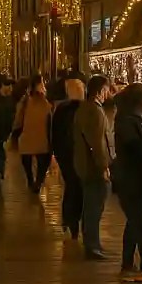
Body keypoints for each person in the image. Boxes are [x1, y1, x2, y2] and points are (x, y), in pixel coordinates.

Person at [111, 83, 142, 282]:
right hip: (131, 178)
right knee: (138, 221)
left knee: (140, 221)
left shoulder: (138, 116)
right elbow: (137, 147)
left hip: (141, 177)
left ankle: (134, 263)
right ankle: (139, 264)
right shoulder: (128, 119)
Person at [73, 75, 115, 260]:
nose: (108, 93)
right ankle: (92, 245)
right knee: (94, 205)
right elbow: (98, 143)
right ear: (99, 91)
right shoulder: (95, 112)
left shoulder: (85, 108)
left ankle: (92, 243)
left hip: (85, 164)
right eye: (106, 89)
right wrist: (104, 165)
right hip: (92, 167)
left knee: (90, 205)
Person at [50, 78, 86, 239]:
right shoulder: (80, 109)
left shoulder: (62, 109)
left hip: (66, 153)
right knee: (75, 186)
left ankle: (69, 220)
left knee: (72, 186)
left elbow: (54, 132)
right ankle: (72, 220)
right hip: (73, 153)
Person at [13, 74, 54, 194]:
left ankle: (33, 182)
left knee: (28, 161)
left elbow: (18, 119)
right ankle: (36, 182)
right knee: (42, 162)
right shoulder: (43, 101)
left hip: (28, 138)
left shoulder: (26, 100)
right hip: (40, 139)